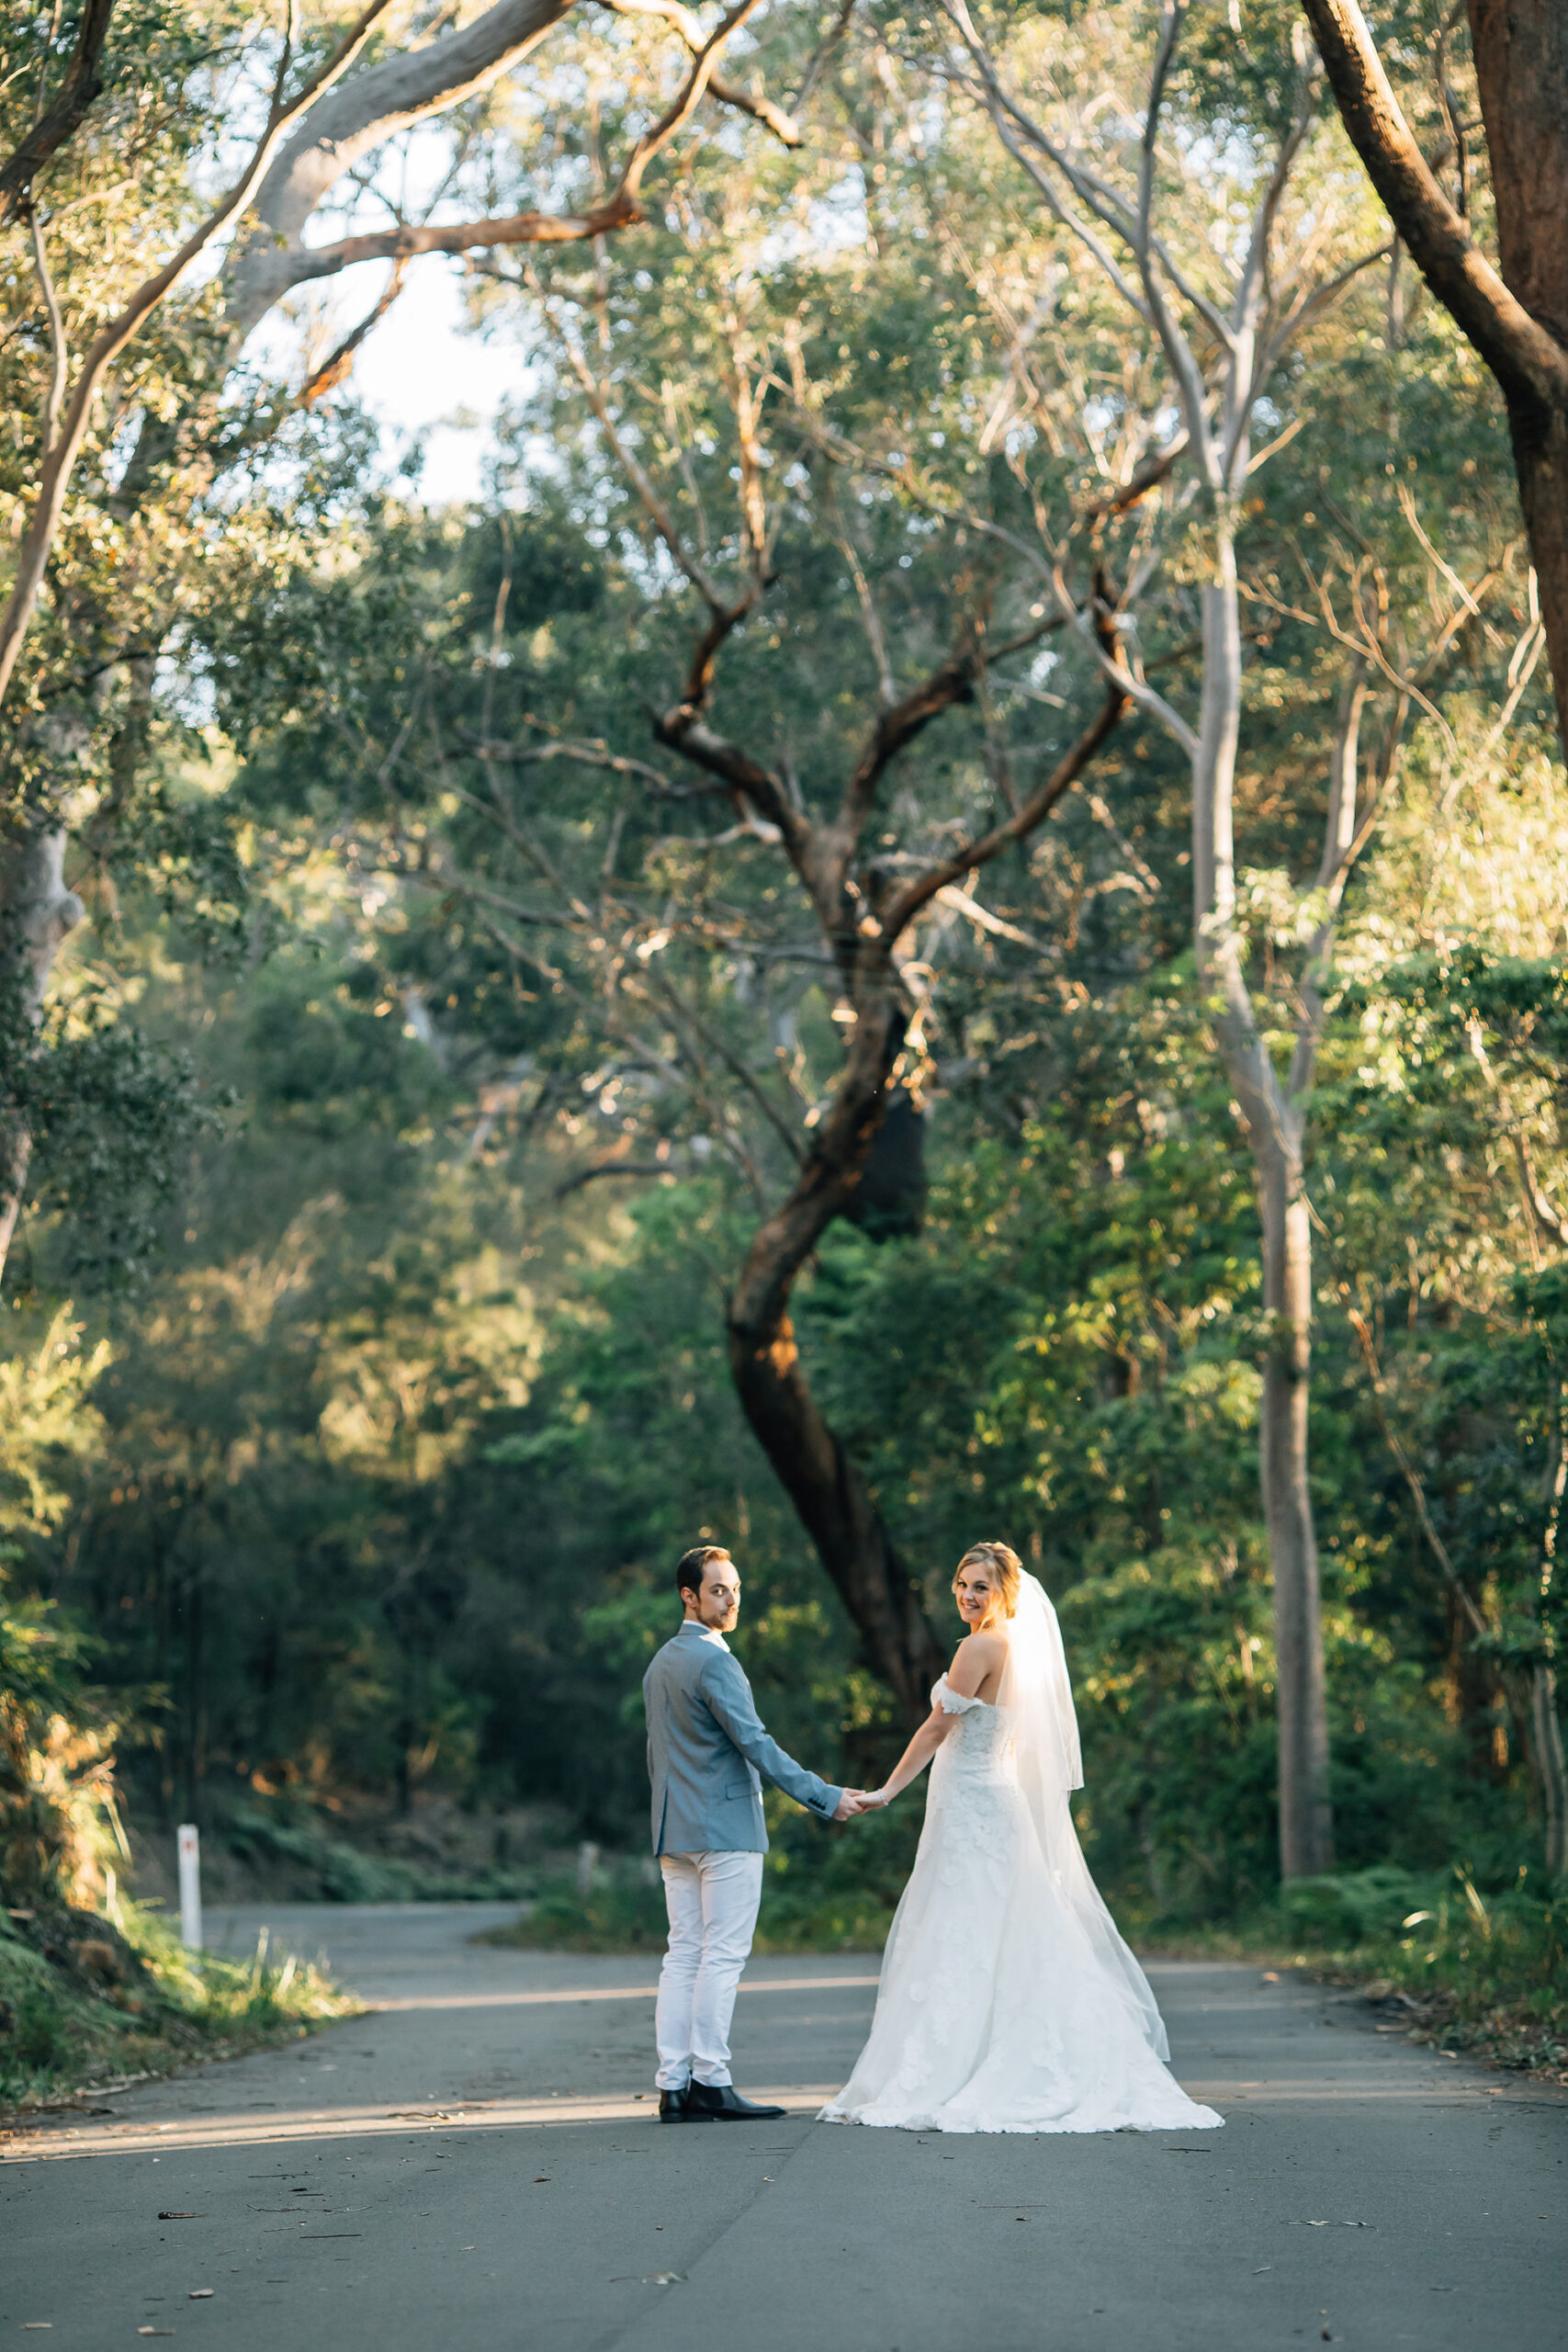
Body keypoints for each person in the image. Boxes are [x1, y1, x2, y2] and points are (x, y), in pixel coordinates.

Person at [821, 1540, 1224, 2134]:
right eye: (960, 1583)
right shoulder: (1018, 1650)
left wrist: (884, 1791)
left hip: (973, 1803)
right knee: (1008, 1930)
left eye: (979, 1586)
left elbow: (936, 1729)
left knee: (966, 1928)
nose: (965, 1595)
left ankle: (959, 2068)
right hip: (993, 1799)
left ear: (1004, 1592)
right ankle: (1018, 2056)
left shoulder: (978, 1646)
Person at [644, 1543, 873, 2121]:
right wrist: (825, 1797)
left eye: (735, 1588)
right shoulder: (714, 1660)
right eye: (718, 1590)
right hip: (725, 1831)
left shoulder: (661, 1663)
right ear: (688, 1596)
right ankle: (712, 2083)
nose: (731, 1599)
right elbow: (757, 1744)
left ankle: (675, 2088)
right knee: (719, 1957)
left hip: (675, 1832)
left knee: (684, 1956)